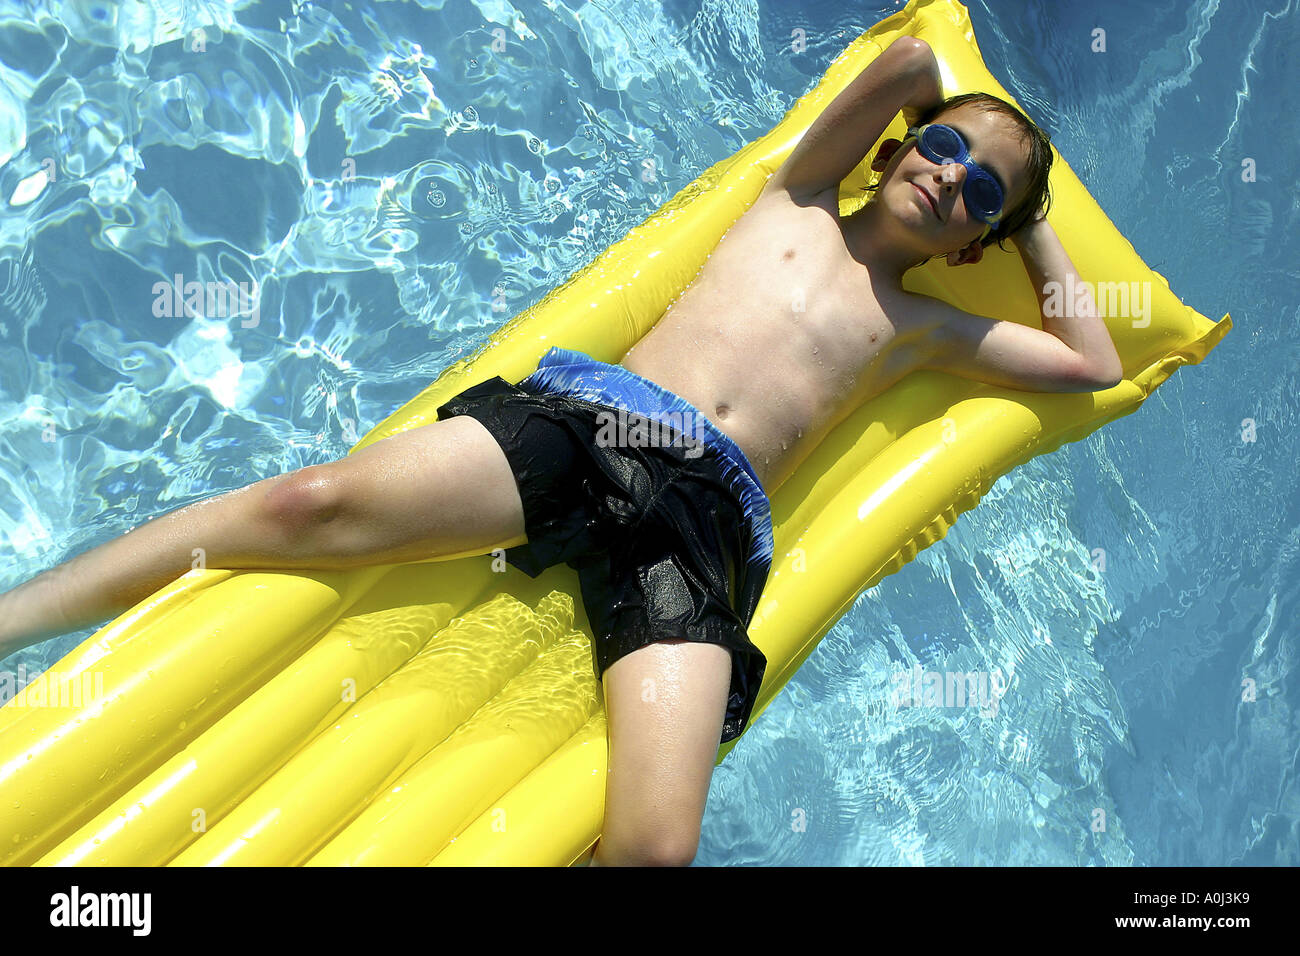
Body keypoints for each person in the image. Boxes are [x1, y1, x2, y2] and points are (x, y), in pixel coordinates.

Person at [0, 37, 1121, 866]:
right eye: (941, 150)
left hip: (706, 523)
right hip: (592, 424)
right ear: (896, 147)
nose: (948, 176)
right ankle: (18, 616)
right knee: (312, 502)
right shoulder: (800, 193)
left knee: (655, 847)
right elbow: (913, 55)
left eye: (978, 190)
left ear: (978, 235)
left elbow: (1092, 360)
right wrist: (958, 114)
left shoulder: (923, 327)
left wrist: (1031, 223)